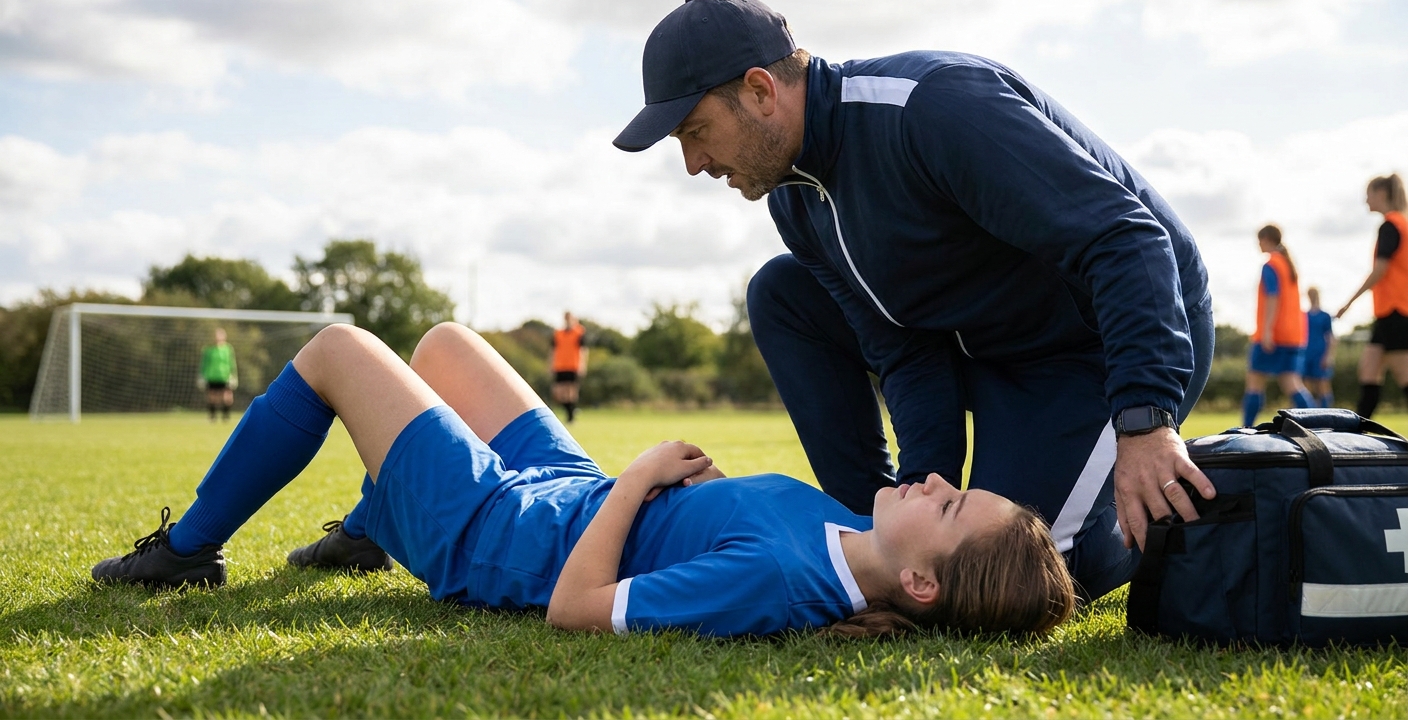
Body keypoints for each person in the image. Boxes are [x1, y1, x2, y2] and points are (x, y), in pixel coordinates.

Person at [612, 0, 1214, 600]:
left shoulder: (932, 107)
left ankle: (1191, 488)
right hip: (986, 347)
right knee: (781, 292)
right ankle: (857, 530)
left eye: (695, 132)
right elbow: (903, 351)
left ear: (761, 91)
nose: (693, 163)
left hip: (1106, 345)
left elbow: (1127, 239)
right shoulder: (794, 200)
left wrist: (1145, 419)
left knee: (1016, 575)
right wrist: (912, 510)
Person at [89, 323, 1075, 638]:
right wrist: (660, 493)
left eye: (947, 505)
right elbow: (718, 525)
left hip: (500, 534)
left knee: (342, 351)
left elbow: (574, 608)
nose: (936, 478)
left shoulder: (778, 578)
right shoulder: (834, 535)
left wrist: (641, 476)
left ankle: (187, 553)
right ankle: (372, 525)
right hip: (567, 489)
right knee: (443, 344)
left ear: (920, 584)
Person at [1337, 174, 1408, 418]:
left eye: (1369, 194)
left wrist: (1349, 302)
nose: (1366, 200)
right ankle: (1358, 434)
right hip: (1390, 312)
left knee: (1404, 374)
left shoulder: (1391, 226)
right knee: (1368, 369)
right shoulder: (1402, 223)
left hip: (1397, 311)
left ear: (1381, 194)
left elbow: (1380, 270)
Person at [1241, 225, 1314, 427]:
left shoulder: (1271, 265)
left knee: (1254, 382)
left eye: (1259, 240)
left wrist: (1266, 331)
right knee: (1291, 383)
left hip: (1274, 333)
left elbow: (1273, 298)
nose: (1258, 244)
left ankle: (1246, 428)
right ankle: (1316, 422)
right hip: (1294, 335)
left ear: (1266, 239)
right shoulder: (1287, 264)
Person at [551, 312, 588, 423]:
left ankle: (571, 416)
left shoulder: (579, 332)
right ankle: (570, 410)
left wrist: (582, 364)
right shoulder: (558, 333)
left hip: (573, 365)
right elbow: (553, 350)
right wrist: (551, 364)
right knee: (559, 392)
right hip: (560, 365)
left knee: (571, 391)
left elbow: (583, 350)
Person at [1303, 287, 1336, 408]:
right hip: (1306, 354)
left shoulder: (1325, 316)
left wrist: (1329, 356)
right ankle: (1308, 414)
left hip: (1320, 353)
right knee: (1305, 387)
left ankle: (1327, 412)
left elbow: (1331, 338)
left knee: (1323, 385)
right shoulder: (1304, 315)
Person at [200, 328, 238, 422]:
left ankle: (226, 417)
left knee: (227, 397)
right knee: (212, 397)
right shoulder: (208, 349)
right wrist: (202, 376)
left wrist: (234, 375)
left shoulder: (228, 349)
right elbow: (204, 363)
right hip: (212, 376)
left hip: (225, 376)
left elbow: (232, 363)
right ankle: (212, 417)